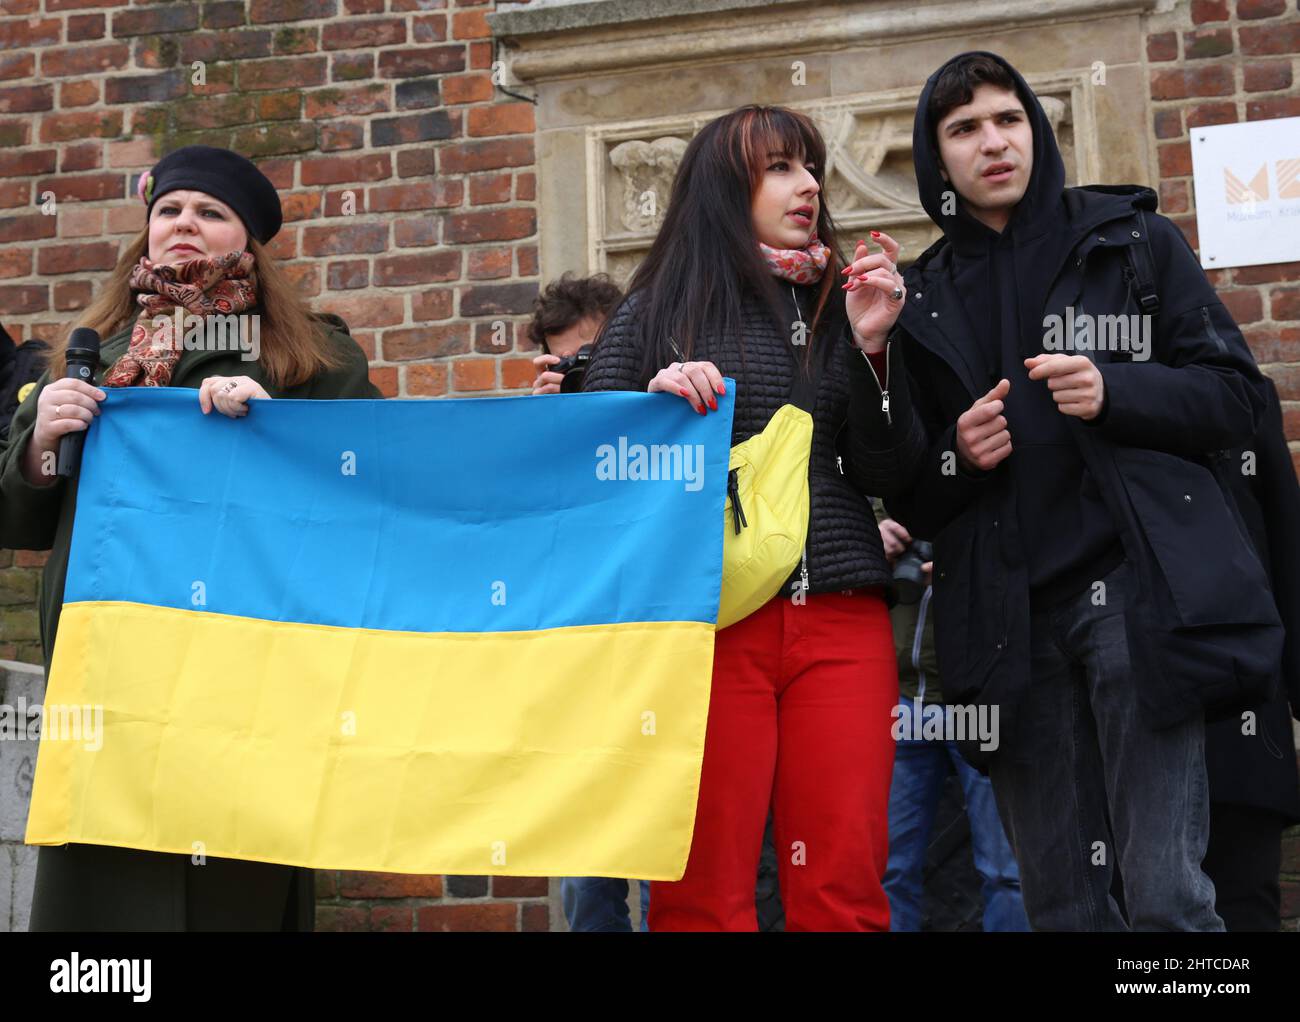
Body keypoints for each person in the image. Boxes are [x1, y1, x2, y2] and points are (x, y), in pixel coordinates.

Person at [881, 52, 1278, 931]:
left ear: (1036, 129)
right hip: (1003, 625)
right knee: (1058, 905)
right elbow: (906, 491)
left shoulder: (1129, 238)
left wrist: (1117, 389)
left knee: (1168, 894)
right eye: (964, 130)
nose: (993, 143)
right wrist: (957, 453)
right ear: (934, 158)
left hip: (1136, 597)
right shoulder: (920, 298)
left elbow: (1240, 401)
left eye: (1008, 119)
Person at [0, 144, 379, 931]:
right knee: (103, 896)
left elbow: (368, 476)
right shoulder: (90, 355)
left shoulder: (312, 354)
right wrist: (40, 446)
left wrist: (276, 422)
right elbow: (20, 521)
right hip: (106, 660)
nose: (184, 225)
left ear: (248, 242)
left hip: (245, 659)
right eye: (169, 210)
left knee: (226, 885)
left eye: (210, 213)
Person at [582, 104, 926, 931]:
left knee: (843, 886)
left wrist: (876, 352)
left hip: (840, 614)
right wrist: (653, 408)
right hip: (709, 621)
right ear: (722, 189)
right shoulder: (661, 305)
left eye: (810, 166)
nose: (807, 183)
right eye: (779, 167)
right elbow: (590, 462)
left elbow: (892, 473)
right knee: (703, 891)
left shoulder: (845, 302)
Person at [524, 272, 648, 930]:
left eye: (592, 358)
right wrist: (544, 430)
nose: (581, 374)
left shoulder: (671, 416)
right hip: (579, 671)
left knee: (667, 854)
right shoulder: (541, 433)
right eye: (566, 362)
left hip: (660, 661)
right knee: (586, 873)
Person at [876, 510, 1029, 932]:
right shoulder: (885, 466)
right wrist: (871, 537)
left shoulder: (1001, 468)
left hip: (981, 700)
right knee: (885, 869)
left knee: (1009, 873)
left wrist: (971, 567)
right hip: (899, 700)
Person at [528, 272, 623, 395]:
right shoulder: (554, 400)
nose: (578, 373)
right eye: (566, 361)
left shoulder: (650, 388)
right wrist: (548, 408)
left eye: (586, 356)